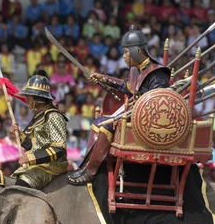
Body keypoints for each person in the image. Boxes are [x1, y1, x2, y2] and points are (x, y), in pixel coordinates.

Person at [68, 26, 171, 185]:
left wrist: (134, 107)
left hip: (148, 123)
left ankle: (91, 171)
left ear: (137, 50)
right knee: (98, 122)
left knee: (105, 126)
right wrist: (103, 78)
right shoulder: (137, 70)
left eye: (126, 52)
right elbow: (127, 87)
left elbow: (157, 105)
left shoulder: (157, 72)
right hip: (135, 114)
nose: (123, 56)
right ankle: (86, 165)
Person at [8, 74, 68, 189]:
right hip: (38, 165)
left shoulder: (54, 116)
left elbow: (59, 148)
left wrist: (30, 158)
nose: (26, 99)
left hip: (51, 167)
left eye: (29, 96)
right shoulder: (40, 115)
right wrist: (19, 134)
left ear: (37, 97)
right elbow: (34, 146)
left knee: (21, 187)